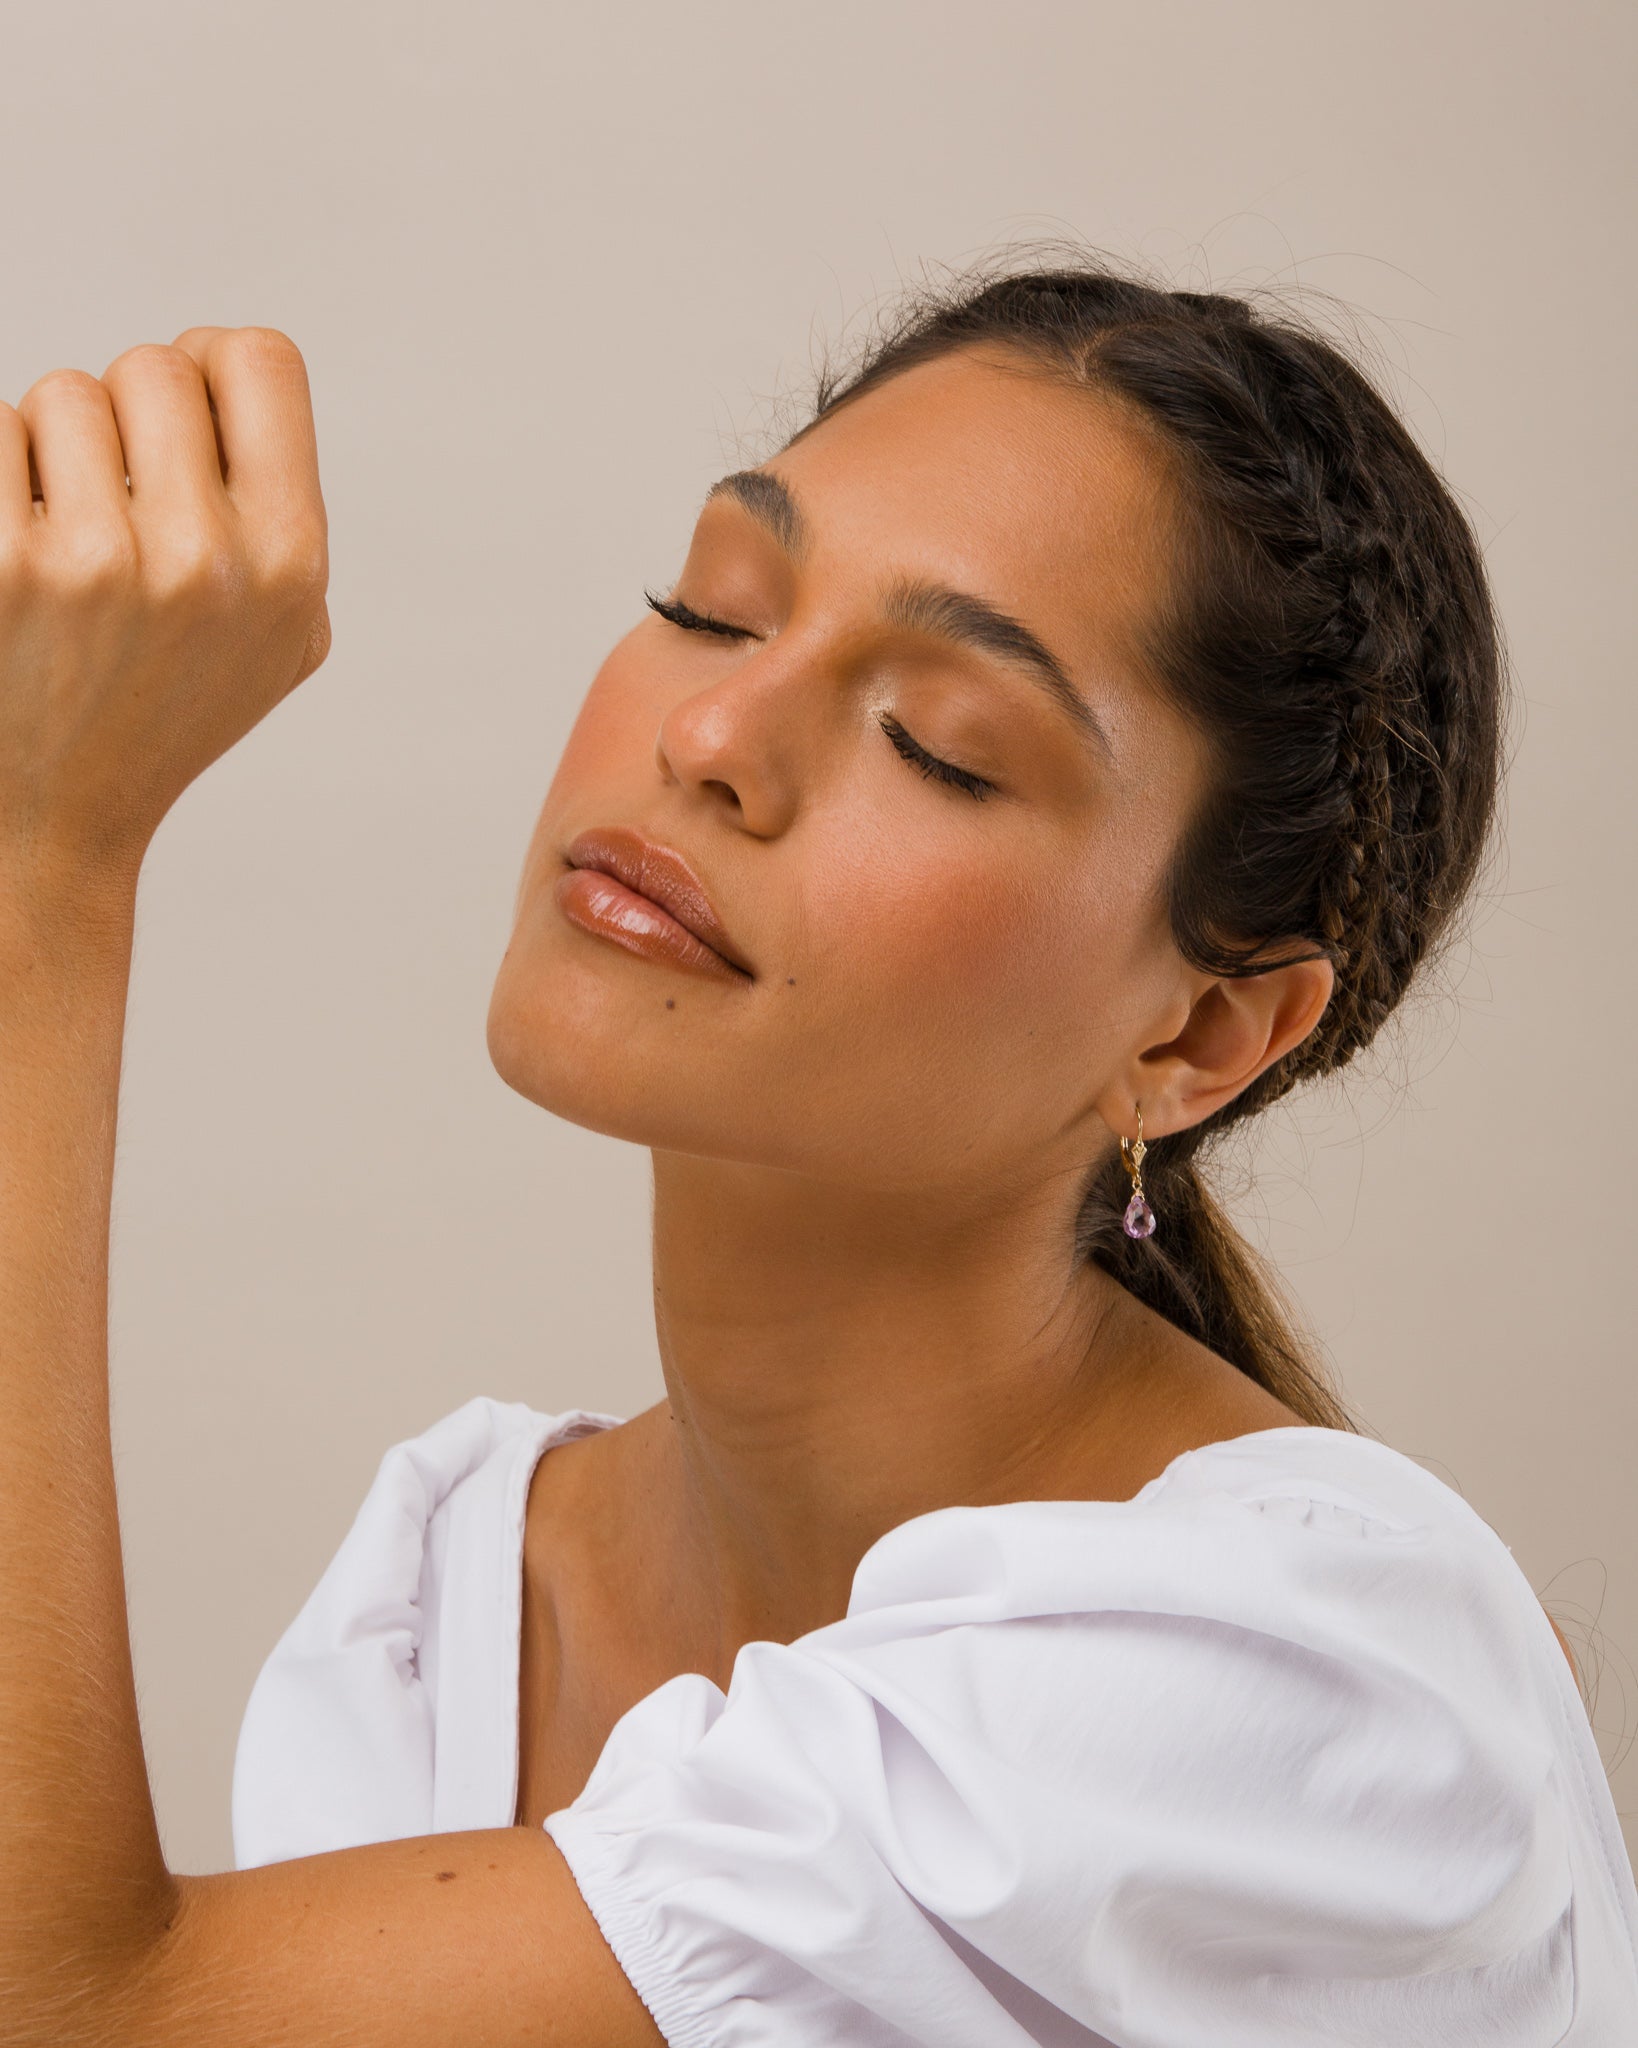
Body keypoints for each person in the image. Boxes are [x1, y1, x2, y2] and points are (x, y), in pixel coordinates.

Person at [0, 257, 1632, 2047]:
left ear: (1197, 1037)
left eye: (938, 745)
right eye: (712, 609)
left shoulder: (1310, 1676)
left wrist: (43, 859)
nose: (708, 737)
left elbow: (74, 2010)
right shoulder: (448, 1598)